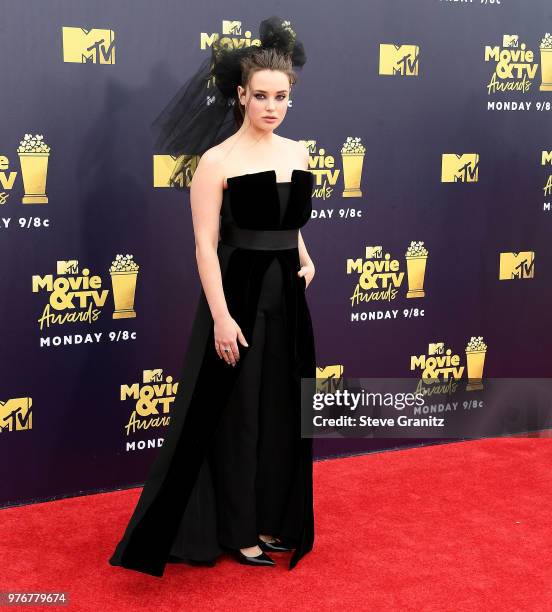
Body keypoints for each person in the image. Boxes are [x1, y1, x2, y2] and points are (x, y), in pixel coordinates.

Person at [109, 16, 316, 577]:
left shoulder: (298, 153)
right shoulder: (217, 162)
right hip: (238, 297)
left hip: (289, 299)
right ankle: (238, 529)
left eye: (283, 96)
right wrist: (223, 318)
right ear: (241, 95)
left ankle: (274, 520)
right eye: (262, 96)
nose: (272, 106)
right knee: (238, 415)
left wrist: (303, 254)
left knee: (281, 412)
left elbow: (287, 221)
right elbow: (205, 246)